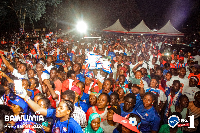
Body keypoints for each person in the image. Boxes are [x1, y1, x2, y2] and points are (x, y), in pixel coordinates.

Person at [16, 89, 83, 133]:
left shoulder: (74, 125)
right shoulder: (54, 113)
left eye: (61, 108)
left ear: (68, 111)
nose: (57, 109)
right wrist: (25, 96)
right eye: (58, 107)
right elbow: (38, 109)